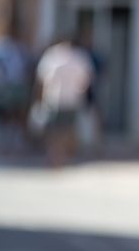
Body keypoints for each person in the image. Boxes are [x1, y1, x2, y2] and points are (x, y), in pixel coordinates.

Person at [33, 35, 94, 167]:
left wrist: (40, 100)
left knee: (54, 131)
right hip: (71, 100)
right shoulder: (79, 58)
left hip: (54, 100)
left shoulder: (52, 58)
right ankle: (63, 155)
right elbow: (85, 81)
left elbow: (42, 81)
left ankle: (55, 155)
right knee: (67, 129)